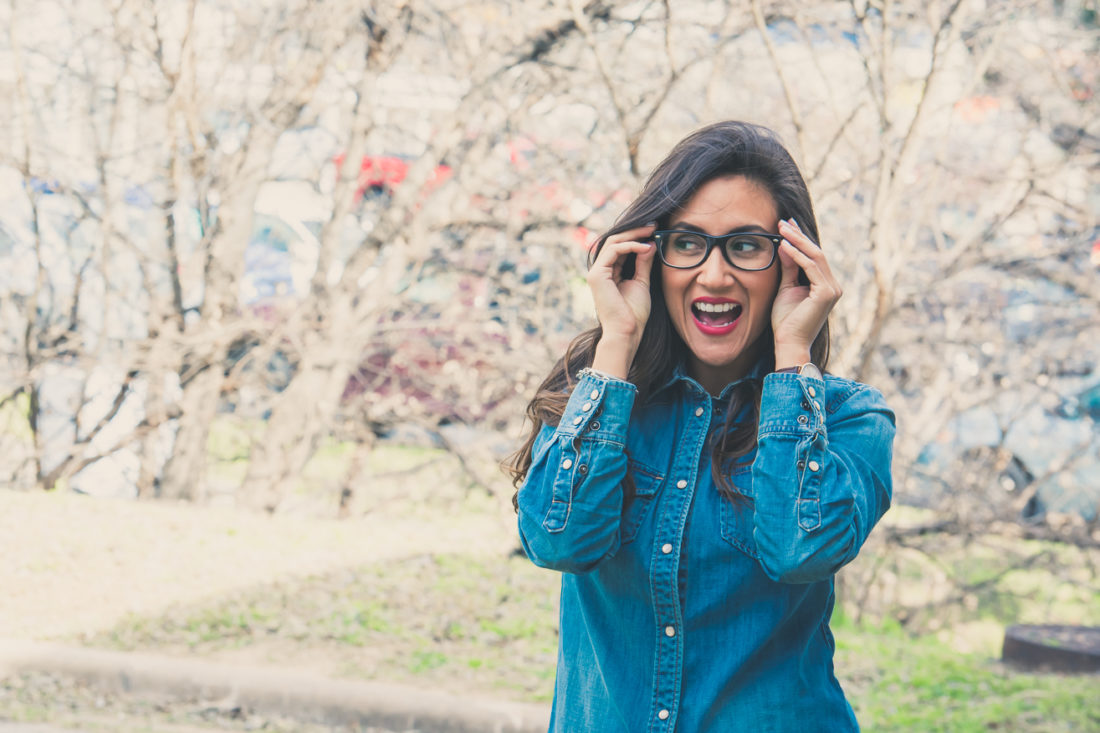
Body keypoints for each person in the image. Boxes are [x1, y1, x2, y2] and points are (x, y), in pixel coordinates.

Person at [508, 120, 895, 732]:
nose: (714, 276)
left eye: (746, 246)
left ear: (790, 265)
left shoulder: (851, 421)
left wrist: (793, 353)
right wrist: (617, 345)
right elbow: (558, 541)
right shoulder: (599, 402)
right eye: (688, 243)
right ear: (651, 258)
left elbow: (801, 551)